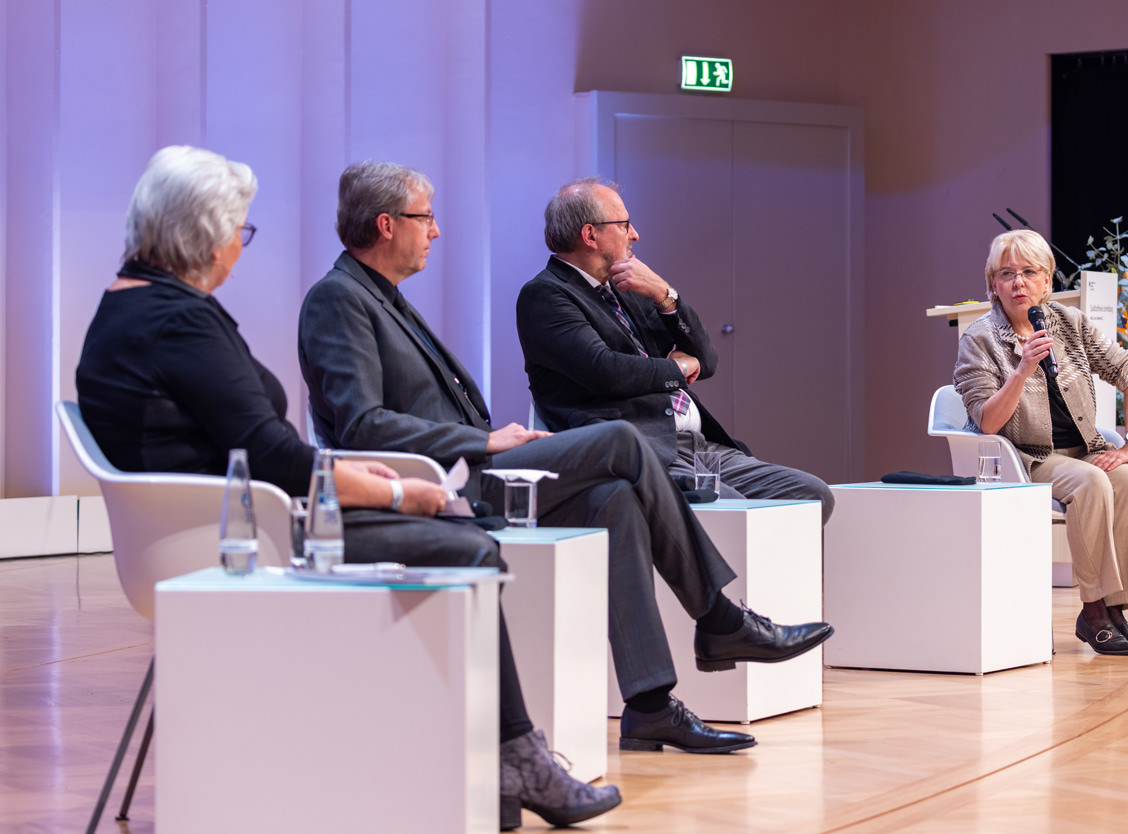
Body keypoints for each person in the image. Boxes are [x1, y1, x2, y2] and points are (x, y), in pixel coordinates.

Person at [75, 146, 620, 831]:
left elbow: (256, 450)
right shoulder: (178, 322)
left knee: (457, 534)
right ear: (204, 234)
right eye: (239, 231)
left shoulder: (125, 309)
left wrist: (356, 479)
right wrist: (390, 493)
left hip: (216, 525)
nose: (238, 249)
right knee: (466, 547)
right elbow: (270, 456)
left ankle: (500, 762)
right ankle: (512, 760)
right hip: (237, 537)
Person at [298, 161, 833, 755]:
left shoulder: (383, 298)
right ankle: (719, 618)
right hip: (445, 481)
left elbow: (701, 358)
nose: (436, 230)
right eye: (426, 217)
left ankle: (651, 706)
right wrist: (484, 441)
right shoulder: (338, 299)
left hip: (474, 468)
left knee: (615, 498)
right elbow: (361, 427)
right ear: (386, 225)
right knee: (622, 441)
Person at [516, 177, 833, 525]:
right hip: (641, 452)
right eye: (624, 225)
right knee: (736, 511)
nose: (635, 235)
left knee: (811, 495)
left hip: (697, 446)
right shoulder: (547, 295)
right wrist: (677, 370)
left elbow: (706, 360)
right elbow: (606, 371)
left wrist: (664, 294)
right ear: (590, 235)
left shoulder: (627, 287)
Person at [953, 229, 1128, 656]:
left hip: (1083, 450)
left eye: (1029, 272)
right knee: (1091, 483)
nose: (1018, 283)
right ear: (993, 284)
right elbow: (987, 422)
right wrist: (1022, 370)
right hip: (1025, 456)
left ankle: (1118, 608)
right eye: (1006, 273)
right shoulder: (980, 338)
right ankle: (1094, 611)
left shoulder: (1069, 323)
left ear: (1047, 281)